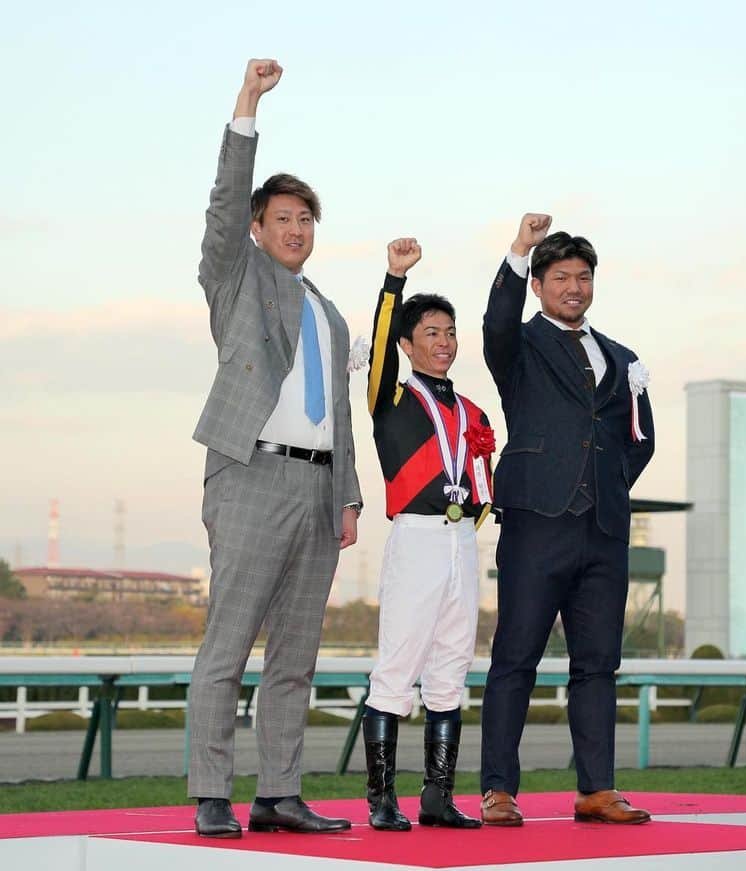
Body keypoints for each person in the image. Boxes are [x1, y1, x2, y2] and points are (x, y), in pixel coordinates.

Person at [187, 59, 360, 838]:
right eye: (283, 217)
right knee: (228, 646)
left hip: (317, 492)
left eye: (306, 220)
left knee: (295, 655)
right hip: (251, 474)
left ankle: (280, 792)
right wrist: (247, 107)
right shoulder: (237, 278)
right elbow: (224, 206)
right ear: (260, 228)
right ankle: (213, 792)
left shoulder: (327, 310)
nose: (297, 229)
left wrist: (348, 494)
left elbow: (341, 415)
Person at [479, 214, 655, 827]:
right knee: (515, 657)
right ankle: (499, 789)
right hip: (535, 524)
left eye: (583, 277)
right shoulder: (520, 345)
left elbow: (640, 441)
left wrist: (602, 490)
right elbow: (494, 322)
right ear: (538, 284)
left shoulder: (623, 357)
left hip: (604, 532)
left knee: (598, 664)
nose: (573, 287)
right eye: (560, 277)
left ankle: (596, 789)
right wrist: (517, 250)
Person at [361, 239, 494, 831]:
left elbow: (485, 481)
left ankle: (438, 796)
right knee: (397, 666)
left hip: (463, 541)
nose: (443, 342)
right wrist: (394, 280)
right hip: (415, 536)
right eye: (431, 332)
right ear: (408, 344)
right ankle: (382, 800)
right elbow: (384, 340)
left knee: (451, 666)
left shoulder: (471, 410)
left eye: (450, 332)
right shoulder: (391, 394)